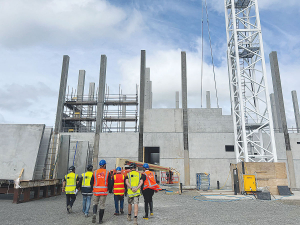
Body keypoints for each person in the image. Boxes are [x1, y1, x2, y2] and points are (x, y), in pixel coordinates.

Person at [90, 159, 110, 224]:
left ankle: (94, 213)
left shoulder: (95, 172)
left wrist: (92, 188)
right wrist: (109, 189)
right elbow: (110, 182)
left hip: (96, 191)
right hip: (103, 191)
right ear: (104, 165)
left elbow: (91, 182)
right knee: (102, 205)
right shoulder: (107, 172)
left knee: (95, 203)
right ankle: (100, 220)